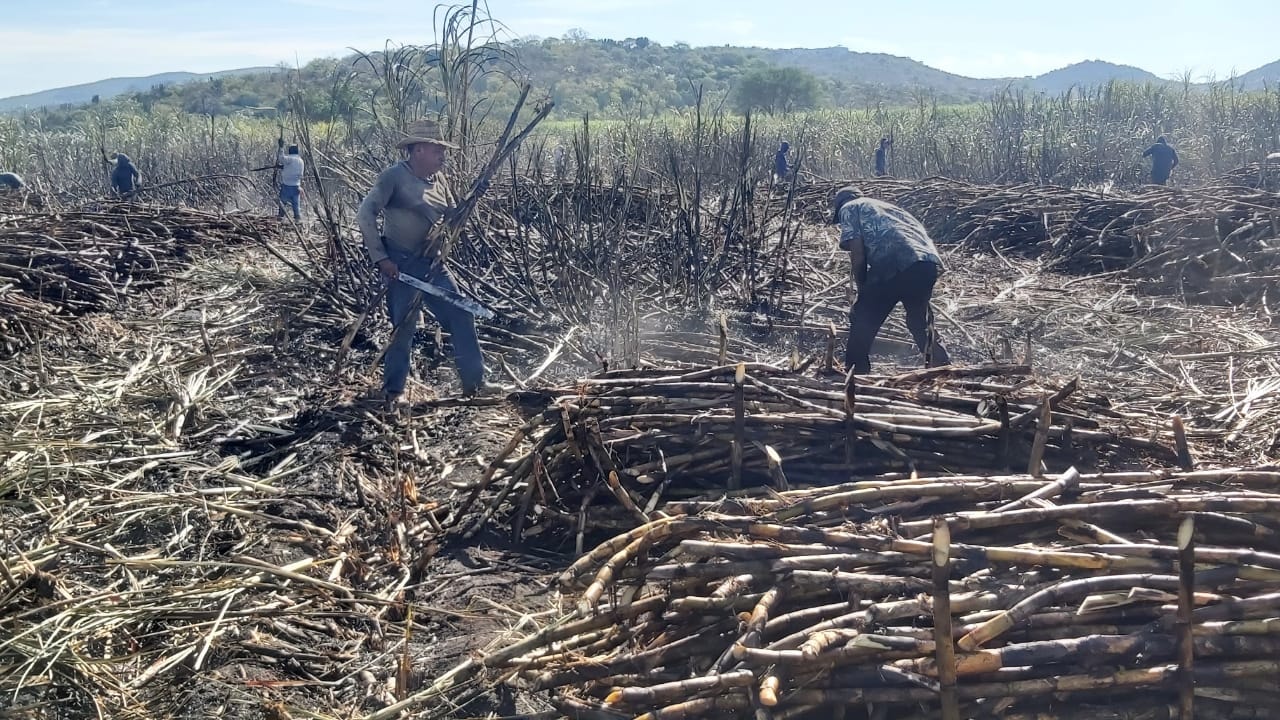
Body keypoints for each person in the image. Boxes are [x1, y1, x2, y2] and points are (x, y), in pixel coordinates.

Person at [357, 119, 496, 405]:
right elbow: (365, 213)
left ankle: (475, 384)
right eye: (437, 150)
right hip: (401, 264)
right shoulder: (393, 177)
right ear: (418, 149)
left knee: (461, 314)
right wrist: (381, 258)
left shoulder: (439, 181)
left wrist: (472, 200)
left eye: (442, 151)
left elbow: (452, 217)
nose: (442, 156)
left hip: (433, 265)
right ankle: (393, 392)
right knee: (404, 326)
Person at [832, 186, 950, 375]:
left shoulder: (849, 207)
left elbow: (858, 252)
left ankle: (856, 374)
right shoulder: (889, 208)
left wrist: (862, 289)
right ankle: (942, 368)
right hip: (926, 264)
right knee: (919, 321)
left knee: (863, 316)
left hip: (893, 262)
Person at [276, 140, 304, 219]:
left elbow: (281, 159)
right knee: (296, 207)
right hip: (297, 186)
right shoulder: (301, 161)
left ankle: (280, 220)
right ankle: (298, 222)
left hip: (287, 186)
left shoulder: (290, 159)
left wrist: (281, 147)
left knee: (282, 205)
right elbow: (294, 170)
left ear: (290, 151)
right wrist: (284, 167)